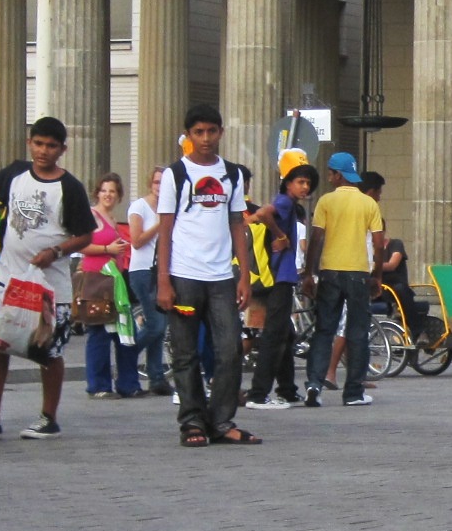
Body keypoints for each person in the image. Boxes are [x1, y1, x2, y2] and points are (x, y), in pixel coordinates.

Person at [0, 117, 95, 438]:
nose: (44, 151)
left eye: (51, 145)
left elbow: (85, 235)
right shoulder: (14, 173)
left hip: (50, 285)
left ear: (62, 149)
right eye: (39, 143)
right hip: (8, 278)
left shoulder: (69, 187)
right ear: (30, 143)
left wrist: (56, 252)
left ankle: (48, 416)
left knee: (48, 350)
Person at [156, 104, 257, 446]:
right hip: (183, 277)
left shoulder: (232, 174)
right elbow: (165, 230)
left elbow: (237, 225)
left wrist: (244, 276)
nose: (205, 139)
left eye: (211, 131)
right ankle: (192, 422)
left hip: (221, 279)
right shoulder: (175, 175)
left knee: (229, 350)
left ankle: (222, 420)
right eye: (198, 132)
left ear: (221, 133)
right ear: (189, 136)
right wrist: (163, 281)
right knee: (185, 353)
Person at [302, 152, 382, 409]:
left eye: (330, 172)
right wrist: (377, 274)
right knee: (357, 332)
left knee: (325, 329)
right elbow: (379, 243)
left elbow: (316, 239)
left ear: (338, 175)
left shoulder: (326, 201)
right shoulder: (369, 204)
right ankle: (354, 393)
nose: (328, 177)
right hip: (358, 273)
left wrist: (308, 273)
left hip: (330, 272)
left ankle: (314, 384)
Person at [245, 161, 317, 411]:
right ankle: (258, 394)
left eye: (308, 183)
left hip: (279, 277)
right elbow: (264, 214)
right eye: (300, 182)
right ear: (288, 184)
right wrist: (280, 235)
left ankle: (287, 390)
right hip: (280, 278)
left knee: (286, 333)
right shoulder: (285, 202)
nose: (305, 187)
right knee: (274, 336)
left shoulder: (290, 204)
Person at [81, 173, 142, 399]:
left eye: (113, 191)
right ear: (97, 192)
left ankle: (128, 382)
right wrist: (108, 250)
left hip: (115, 280)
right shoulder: (91, 215)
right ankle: (98, 385)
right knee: (99, 332)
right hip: (97, 278)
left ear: (118, 195)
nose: (108, 195)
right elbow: (82, 244)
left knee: (125, 331)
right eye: (104, 190)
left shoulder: (113, 219)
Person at [126, 166, 171, 396]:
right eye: (156, 183)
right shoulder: (139, 207)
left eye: (164, 183)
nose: (159, 187)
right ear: (150, 184)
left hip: (161, 271)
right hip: (142, 270)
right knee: (155, 324)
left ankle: (156, 377)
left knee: (160, 328)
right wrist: (159, 223)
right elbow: (137, 240)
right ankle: (128, 355)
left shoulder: (169, 209)